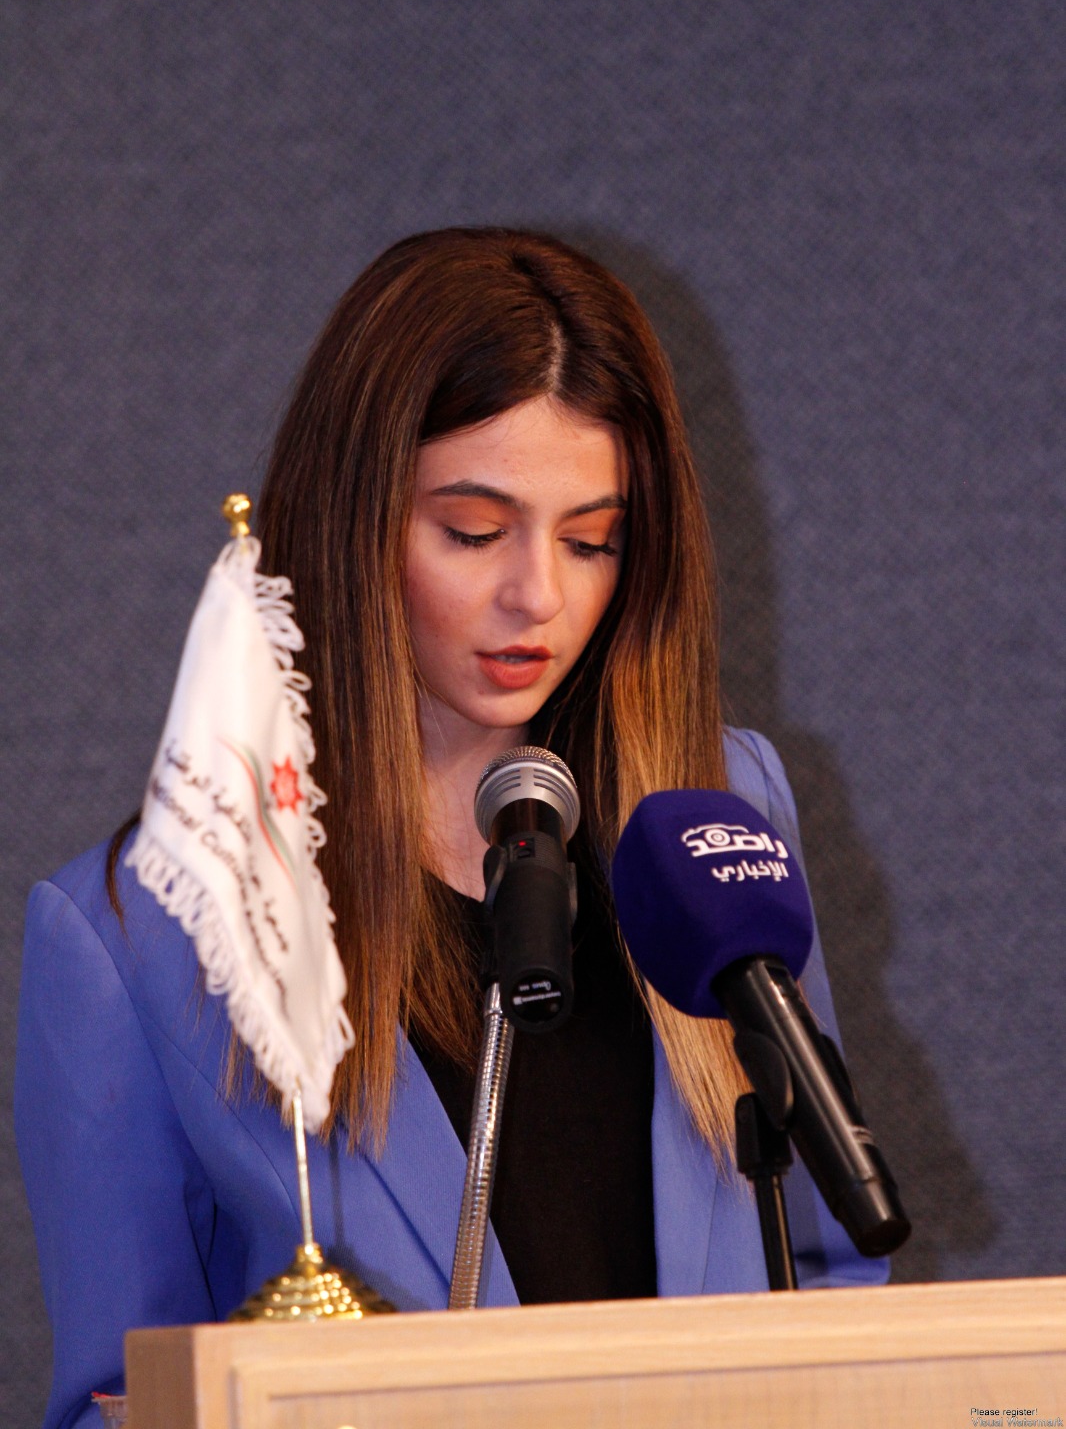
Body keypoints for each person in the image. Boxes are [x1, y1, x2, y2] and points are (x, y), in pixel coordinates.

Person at [16, 228, 887, 1429]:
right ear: (352, 519)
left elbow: (834, 1283)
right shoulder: (132, 936)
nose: (539, 594)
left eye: (591, 539)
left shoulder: (717, 821)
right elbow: (113, 1403)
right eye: (474, 531)